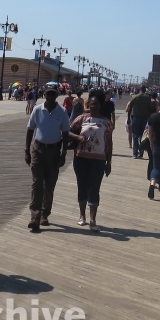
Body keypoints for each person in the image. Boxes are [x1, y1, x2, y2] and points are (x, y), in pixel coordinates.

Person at [25, 88, 71, 231]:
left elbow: (65, 133)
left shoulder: (62, 112)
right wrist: (27, 150)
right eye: (48, 94)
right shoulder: (38, 110)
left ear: (57, 96)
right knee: (37, 182)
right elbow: (30, 129)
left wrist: (64, 153)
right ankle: (35, 216)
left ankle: (45, 213)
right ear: (44, 95)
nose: (50, 96)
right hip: (38, 149)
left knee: (49, 184)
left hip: (54, 151)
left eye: (53, 94)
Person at [68, 90, 113, 231]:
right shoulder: (81, 119)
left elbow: (109, 143)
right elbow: (67, 131)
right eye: (92, 104)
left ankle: (93, 219)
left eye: (96, 104)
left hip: (99, 160)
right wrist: (78, 138)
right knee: (82, 186)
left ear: (100, 105)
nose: (94, 107)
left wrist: (109, 162)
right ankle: (82, 216)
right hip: (81, 158)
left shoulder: (106, 123)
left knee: (94, 188)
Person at [126, 88, 153, 159]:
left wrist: (128, 118)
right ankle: (141, 151)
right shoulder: (147, 98)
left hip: (135, 117)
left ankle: (135, 153)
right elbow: (150, 109)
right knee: (142, 135)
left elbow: (130, 108)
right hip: (144, 118)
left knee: (135, 135)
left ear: (139, 90)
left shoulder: (135, 97)